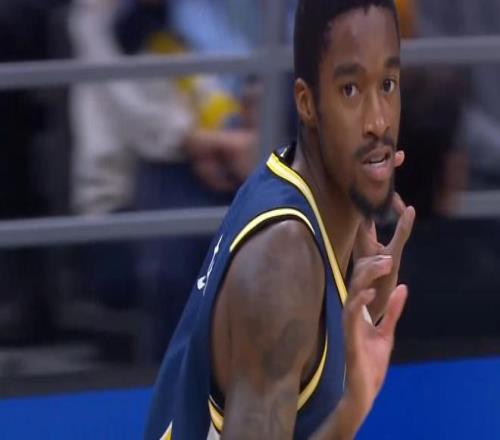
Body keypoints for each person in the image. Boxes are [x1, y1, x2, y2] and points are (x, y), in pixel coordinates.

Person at [145, 0, 416, 438]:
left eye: (387, 84)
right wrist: (352, 409)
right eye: (350, 89)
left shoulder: (286, 176)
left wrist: (365, 312)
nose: (378, 121)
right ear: (306, 103)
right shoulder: (284, 260)